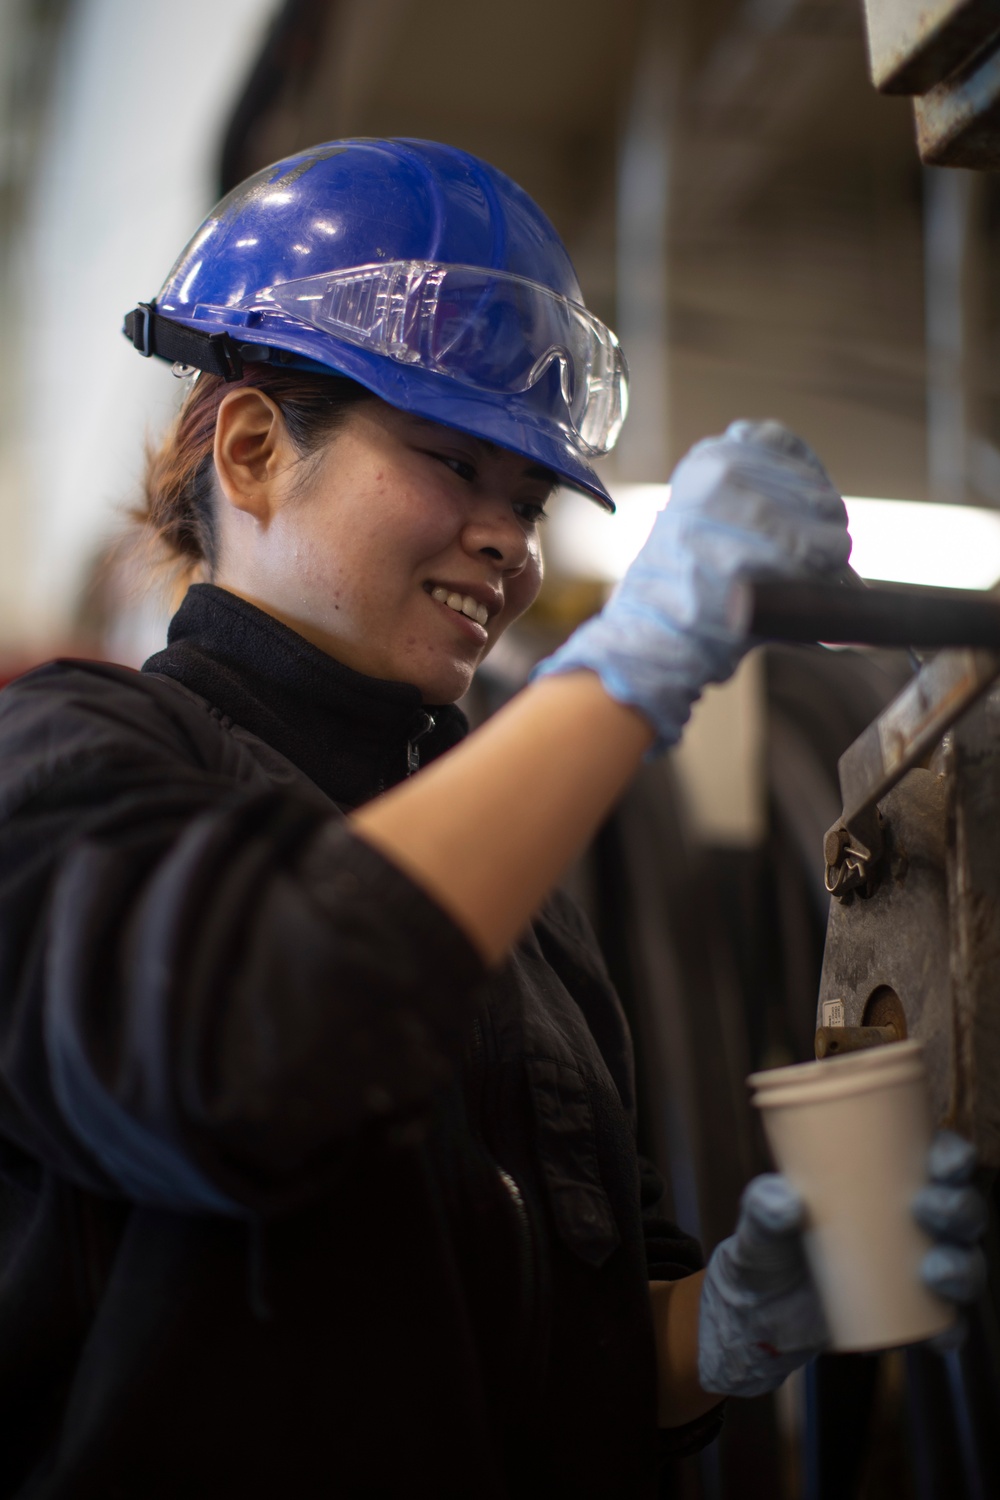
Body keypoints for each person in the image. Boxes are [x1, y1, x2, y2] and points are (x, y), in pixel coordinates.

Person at [0, 139, 984, 1500]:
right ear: (251, 449)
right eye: (454, 462)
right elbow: (247, 1043)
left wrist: (741, 1321)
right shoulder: (65, 763)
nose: (508, 541)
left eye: (527, 499)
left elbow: (576, 1371)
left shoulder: (528, 924)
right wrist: (633, 667)